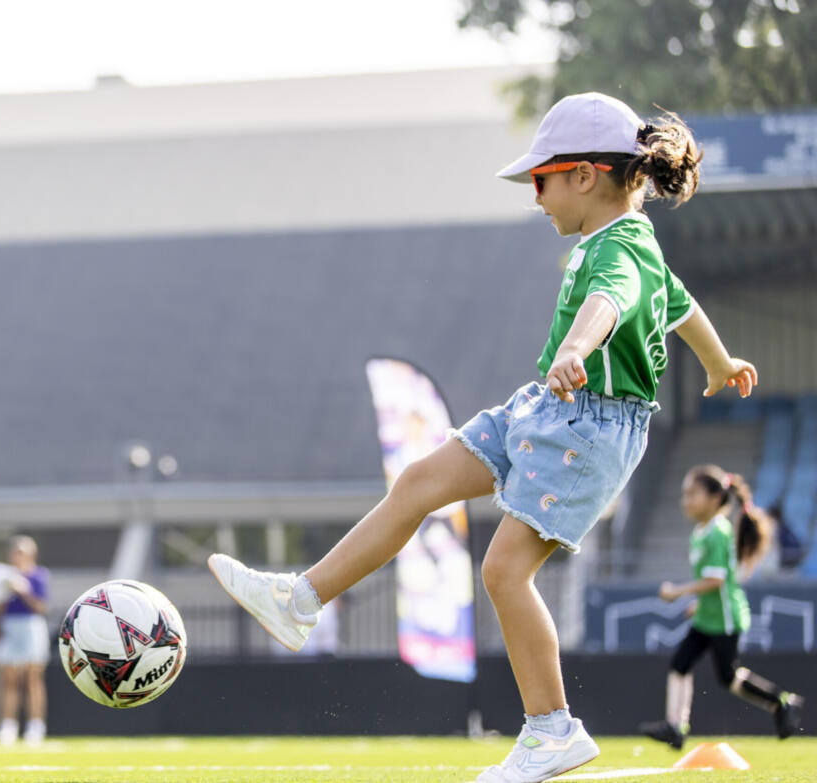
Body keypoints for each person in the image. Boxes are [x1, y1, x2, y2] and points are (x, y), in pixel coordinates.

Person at [208, 92, 758, 783]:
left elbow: (609, 301)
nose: (536, 197)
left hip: (589, 424)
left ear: (585, 175)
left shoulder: (620, 250)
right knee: (418, 483)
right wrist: (717, 362)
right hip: (546, 407)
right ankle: (300, 602)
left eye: (541, 180)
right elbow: (682, 304)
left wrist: (578, 347)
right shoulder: (626, 242)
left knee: (503, 571)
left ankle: (552, 729)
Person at [640, 465, 803, 749]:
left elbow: (716, 580)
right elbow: (715, 578)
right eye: (684, 494)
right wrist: (697, 604)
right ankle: (675, 726)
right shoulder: (701, 531)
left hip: (726, 618)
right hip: (707, 616)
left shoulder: (718, 531)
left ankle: (781, 703)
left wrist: (678, 592)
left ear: (715, 499)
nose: (685, 500)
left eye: (692, 494)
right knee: (680, 664)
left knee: (728, 677)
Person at [0, 536, 50, 745]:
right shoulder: (3, 577)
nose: (17, 557)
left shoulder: (38, 576)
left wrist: (24, 591)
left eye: (22, 553)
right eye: (15, 552)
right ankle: (8, 726)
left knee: (33, 679)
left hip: (31, 627)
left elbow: (41, 608)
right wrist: (6, 592)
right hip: (10, 627)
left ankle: (35, 726)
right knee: (9, 680)